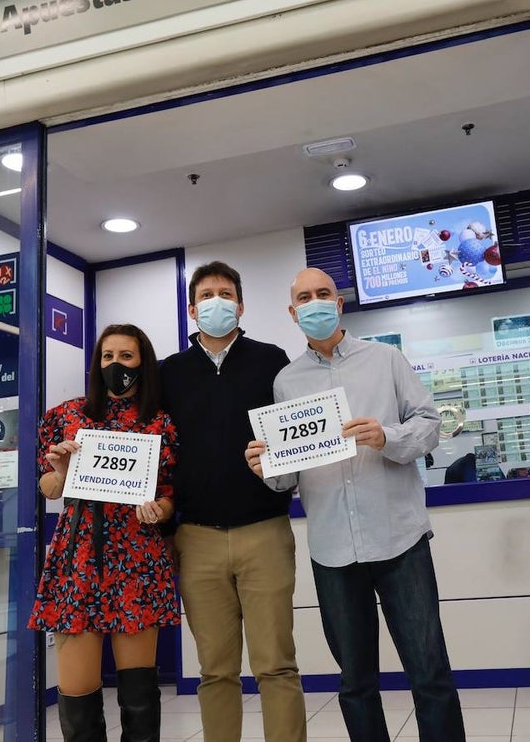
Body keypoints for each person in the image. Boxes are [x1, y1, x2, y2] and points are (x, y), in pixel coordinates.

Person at [245, 267, 466, 742]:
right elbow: (287, 478)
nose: (315, 303)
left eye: (323, 293)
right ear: (292, 311)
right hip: (333, 550)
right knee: (355, 683)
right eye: (304, 297)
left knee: (429, 672)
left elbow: (431, 425)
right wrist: (265, 467)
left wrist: (389, 436)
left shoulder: (385, 360)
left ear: (340, 303)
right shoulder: (286, 382)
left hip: (400, 538)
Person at [159, 261, 305, 742]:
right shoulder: (169, 373)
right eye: (206, 294)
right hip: (196, 539)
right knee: (215, 671)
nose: (215, 301)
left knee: (276, 666)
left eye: (225, 293)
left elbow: (298, 433)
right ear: (191, 308)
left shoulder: (271, 360)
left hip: (265, 531)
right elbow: (144, 443)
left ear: (240, 306)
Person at [28, 324, 178, 742]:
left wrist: (157, 512)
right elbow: (49, 488)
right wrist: (58, 471)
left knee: (139, 692)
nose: (116, 365)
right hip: (78, 558)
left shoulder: (160, 423)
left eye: (126, 356)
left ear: (142, 363)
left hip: (137, 557)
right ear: (97, 363)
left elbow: (168, 497)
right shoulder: (65, 416)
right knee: (76, 692)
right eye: (108, 356)